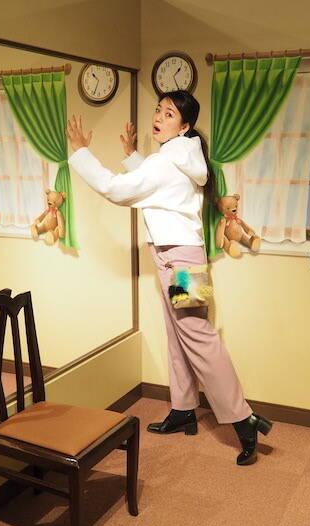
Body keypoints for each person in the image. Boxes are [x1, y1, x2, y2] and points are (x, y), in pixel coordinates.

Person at [66, 90, 272, 466]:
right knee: (178, 334)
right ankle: (183, 409)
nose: (159, 117)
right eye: (158, 110)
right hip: (169, 253)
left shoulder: (167, 161)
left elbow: (118, 189)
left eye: (169, 113)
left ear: (185, 125)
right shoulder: (180, 157)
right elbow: (159, 184)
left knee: (198, 336)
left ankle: (244, 418)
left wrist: (81, 152)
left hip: (181, 259)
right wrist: (132, 154)